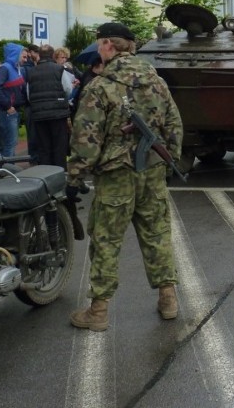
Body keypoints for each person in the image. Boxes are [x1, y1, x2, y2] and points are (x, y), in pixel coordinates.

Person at [68, 23, 184, 331]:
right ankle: (168, 299)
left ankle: (98, 311)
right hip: (153, 170)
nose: (98, 50)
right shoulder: (156, 82)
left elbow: (86, 139)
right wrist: (171, 159)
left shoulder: (100, 86)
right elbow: (174, 124)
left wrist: (76, 175)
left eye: (99, 45)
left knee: (106, 240)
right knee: (157, 235)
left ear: (108, 45)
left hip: (115, 176)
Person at [26, 45, 73, 169]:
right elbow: (68, 89)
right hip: (58, 113)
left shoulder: (31, 72)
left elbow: (28, 94)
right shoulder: (59, 69)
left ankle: (46, 173)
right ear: (53, 55)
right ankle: (60, 171)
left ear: (39, 56)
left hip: (39, 114)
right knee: (59, 145)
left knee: (43, 146)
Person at [0, 44, 27, 157]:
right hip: (6, 112)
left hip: (12, 110)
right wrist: (8, 106)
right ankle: (7, 169)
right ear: (15, 55)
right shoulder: (5, 68)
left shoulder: (16, 69)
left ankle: (7, 167)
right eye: (23, 55)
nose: (25, 59)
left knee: (11, 143)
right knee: (9, 143)